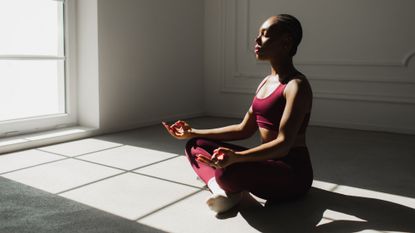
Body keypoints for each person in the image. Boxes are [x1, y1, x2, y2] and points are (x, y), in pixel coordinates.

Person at [162, 14, 313, 214]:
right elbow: (244, 129)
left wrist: (238, 158)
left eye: (265, 35)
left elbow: (284, 145)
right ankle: (224, 193)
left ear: (285, 42)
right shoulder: (265, 83)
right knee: (195, 145)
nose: (257, 40)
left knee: (228, 171)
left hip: (292, 172)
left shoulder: (296, 86)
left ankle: (226, 186)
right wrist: (193, 132)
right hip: (267, 162)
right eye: (258, 34)